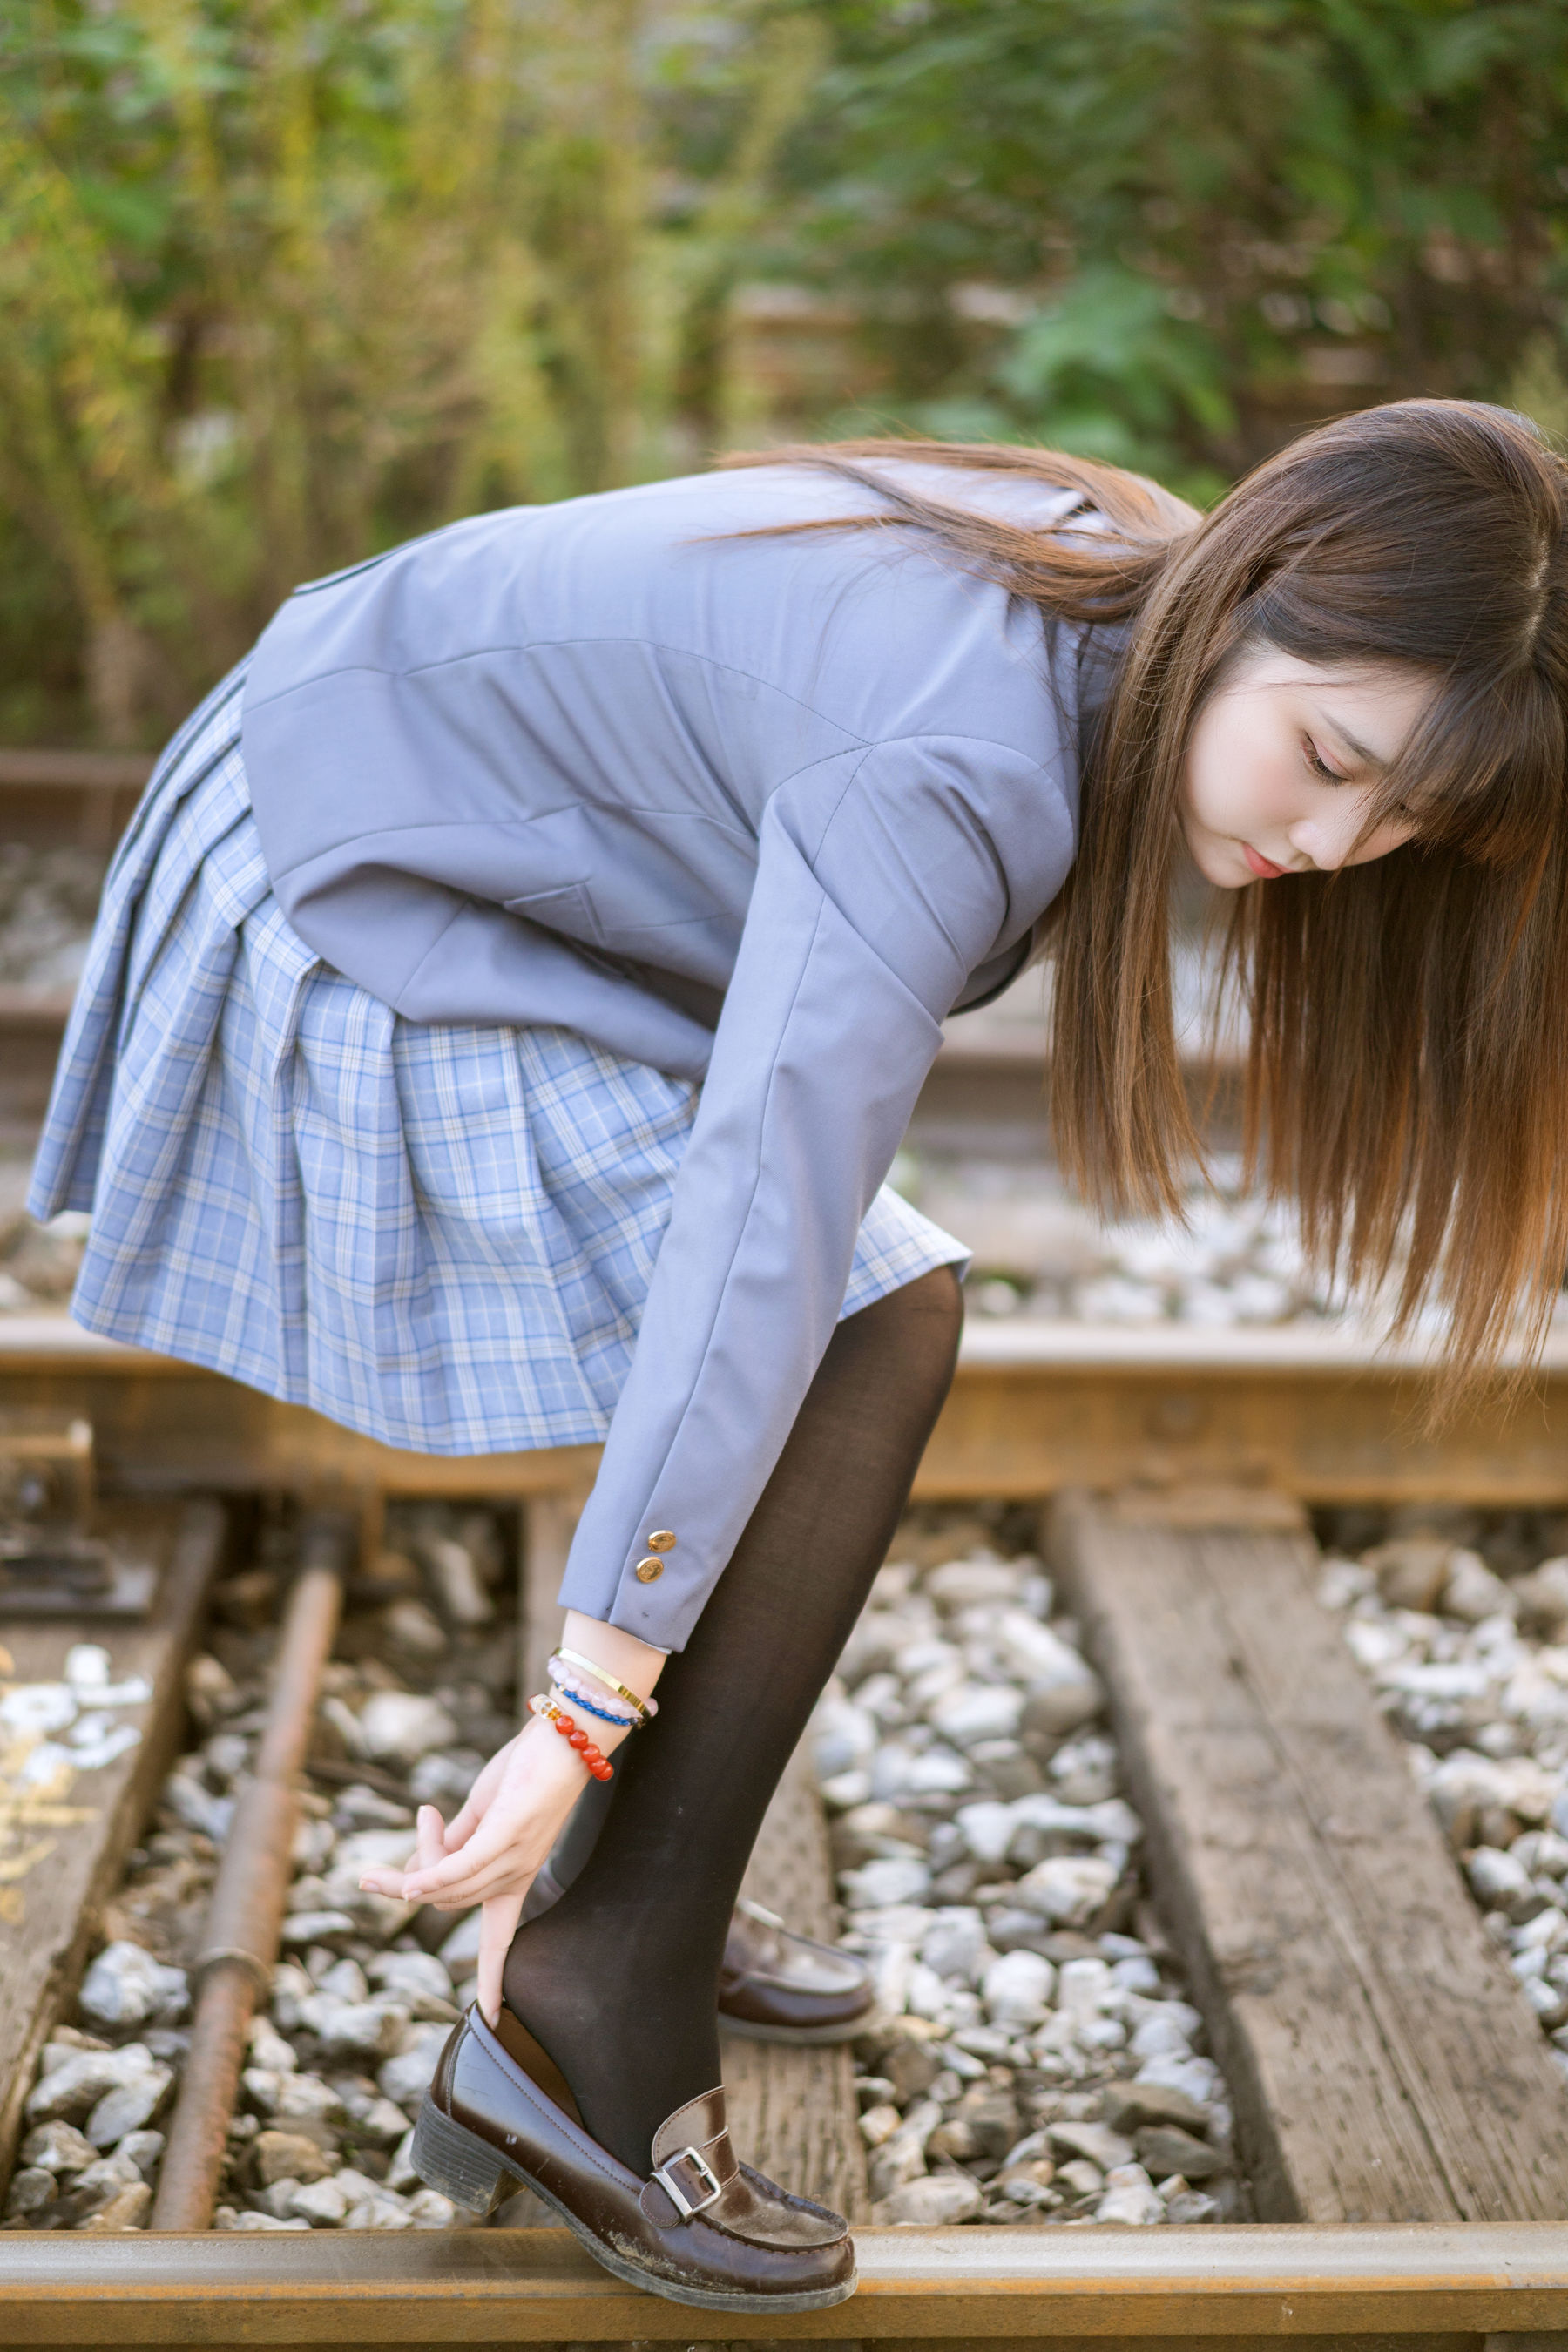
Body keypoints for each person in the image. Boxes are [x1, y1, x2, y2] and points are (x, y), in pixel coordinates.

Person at [30, 398, 1568, 2306]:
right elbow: (768, 1217)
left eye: (1404, 820)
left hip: (435, 800)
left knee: (849, 1304)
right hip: (341, 871)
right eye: (1331, 758)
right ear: (1250, 589)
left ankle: (633, 1893)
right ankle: (589, 2011)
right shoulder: (966, 756)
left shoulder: (1127, 597)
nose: (1335, 846)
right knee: (869, 1316)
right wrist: (581, 1707)